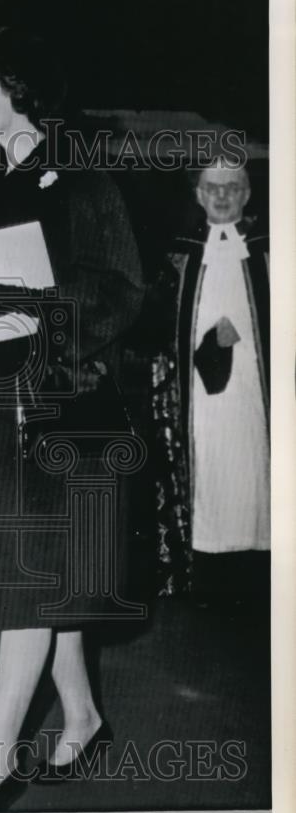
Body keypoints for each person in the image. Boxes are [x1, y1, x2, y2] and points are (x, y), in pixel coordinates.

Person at [0, 28, 145, 809]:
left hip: (61, 411)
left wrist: (43, 323)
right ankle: (80, 715)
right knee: (38, 572)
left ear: (21, 97)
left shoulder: (82, 181)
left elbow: (120, 290)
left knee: (28, 580)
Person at [152, 160, 269, 602]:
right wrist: (205, 347)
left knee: (255, 475)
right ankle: (207, 580)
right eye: (212, 188)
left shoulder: (270, 251)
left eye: (232, 188)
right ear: (198, 195)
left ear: (247, 194)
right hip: (197, 400)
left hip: (257, 396)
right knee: (208, 478)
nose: (222, 196)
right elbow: (160, 327)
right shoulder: (179, 255)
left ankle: (259, 577)